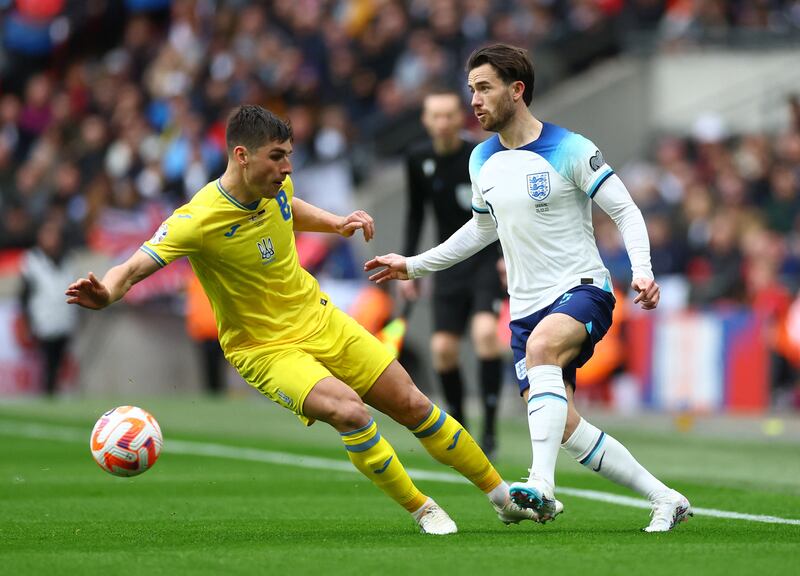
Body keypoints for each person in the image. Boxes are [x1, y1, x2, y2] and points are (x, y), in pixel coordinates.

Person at [66, 104, 558, 535]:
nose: (286, 168)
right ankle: (423, 509)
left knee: (412, 404)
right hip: (264, 348)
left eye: (289, 156)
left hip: (320, 319)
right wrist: (107, 291)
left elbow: (289, 208)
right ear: (241, 156)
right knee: (351, 412)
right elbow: (134, 266)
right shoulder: (198, 220)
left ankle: (503, 499)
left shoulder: (274, 185)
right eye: (277, 158)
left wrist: (337, 221)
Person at [365, 44, 692, 532]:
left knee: (542, 350)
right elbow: (480, 230)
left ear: (517, 91)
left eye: (484, 88)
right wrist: (413, 266)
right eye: (470, 89)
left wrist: (641, 269)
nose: (473, 100)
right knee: (563, 426)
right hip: (525, 308)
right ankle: (666, 498)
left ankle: (541, 485)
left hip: (582, 290)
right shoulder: (482, 159)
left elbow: (624, 210)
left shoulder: (571, 149)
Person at [402, 88, 505, 459]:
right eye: (436, 116)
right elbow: (416, 214)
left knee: (485, 335)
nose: (443, 122)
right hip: (448, 261)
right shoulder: (417, 158)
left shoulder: (478, 156)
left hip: (484, 259)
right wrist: (411, 266)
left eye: (450, 115)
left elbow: (500, 211)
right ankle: (461, 425)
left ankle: (490, 428)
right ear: (426, 121)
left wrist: (504, 256)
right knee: (442, 350)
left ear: (460, 118)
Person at [20, 218, 78, 396]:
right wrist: (27, 321)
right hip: (43, 319)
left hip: (64, 319)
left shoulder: (68, 259)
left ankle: (55, 393)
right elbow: (24, 295)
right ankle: (47, 393)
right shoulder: (32, 260)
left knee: (60, 362)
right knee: (47, 362)